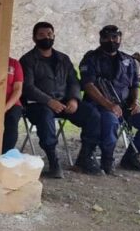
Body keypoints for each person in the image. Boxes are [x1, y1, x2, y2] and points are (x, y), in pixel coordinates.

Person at [20, 22, 101, 177]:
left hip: (64, 103)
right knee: (44, 116)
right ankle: (53, 161)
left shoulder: (63, 59)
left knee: (92, 114)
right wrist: (49, 101)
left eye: (49, 34)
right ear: (34, 38)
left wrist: (74, 99)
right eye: (42, 35)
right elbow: (28, 87)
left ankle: (84, 158)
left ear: (54, 36)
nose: (46, 37)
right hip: (38, 105)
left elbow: (74, 81)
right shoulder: (27, 60)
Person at [79, 25, 140, 174]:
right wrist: (109, 105)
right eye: (106, 37)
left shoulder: (128, 60)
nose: (111, 41)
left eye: (114, 37)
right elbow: (88, 85)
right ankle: (107, 161)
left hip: (125, 106)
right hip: (100, 106)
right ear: (100, 39)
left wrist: (135, 101)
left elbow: (135, 84)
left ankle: (131, 157)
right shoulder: (91, 59)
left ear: (120, 38)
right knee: (110, 121)